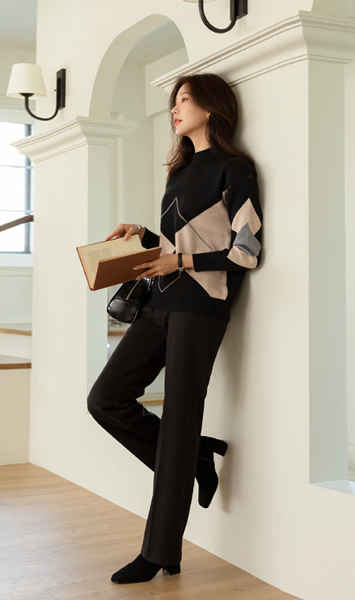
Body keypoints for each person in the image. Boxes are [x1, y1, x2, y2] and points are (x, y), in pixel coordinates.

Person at [87, 72, 263, 585]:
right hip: (159, 303)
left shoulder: (235, 168)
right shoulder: (179, 172)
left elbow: (246, 252)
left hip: (200, 308)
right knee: (105, 399)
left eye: (184, 99)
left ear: (211, 106)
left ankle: (159, 551)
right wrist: (142, 235)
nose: (174, 109)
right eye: (173, 101)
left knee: (180, 421)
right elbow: (177, 244)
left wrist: (179, 260)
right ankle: (197, 455)